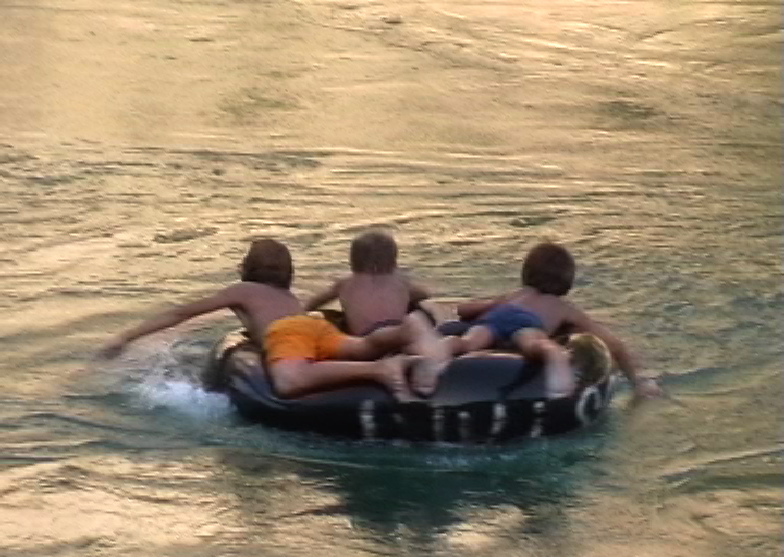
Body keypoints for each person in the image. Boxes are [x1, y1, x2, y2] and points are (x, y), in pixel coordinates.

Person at [98, 238, 448, 401]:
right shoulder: (289, 297)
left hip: (289, 335)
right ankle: (405, 332)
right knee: (364, 345)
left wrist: (126, 336)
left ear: (246, 270)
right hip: (315, 326)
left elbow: (183, 312)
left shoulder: (243, 290)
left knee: (288, 380)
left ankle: (380, 371)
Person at [444, 242, 662, 399]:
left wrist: (492, 306)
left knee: (468, 343)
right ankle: (553, 354)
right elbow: (613, 344)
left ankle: (444, 348)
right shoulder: (563, 308)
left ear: (526, 272)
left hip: (496, 317)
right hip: (526, 324)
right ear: (567, 281)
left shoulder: (515, 295)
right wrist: (638, 382)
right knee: (534, 344)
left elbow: (464, 310)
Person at [304, 229, 432, 336]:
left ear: (353, 261)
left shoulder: (345, 283)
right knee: (417, 309)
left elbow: (314, 302)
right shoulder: (402, 282)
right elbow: (425, 294)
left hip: (364, 339)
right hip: (397, 332)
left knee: (331, 319)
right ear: (393, 262)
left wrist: (304, 313)